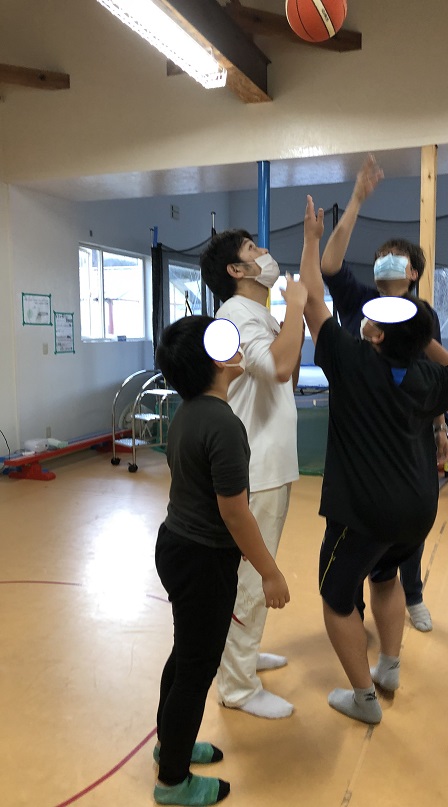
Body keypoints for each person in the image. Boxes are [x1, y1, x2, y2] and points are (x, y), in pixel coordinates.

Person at [300, 195, 448, 724]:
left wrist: (309, 239)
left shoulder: (349, 360)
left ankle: (363, 698)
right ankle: (389, 667)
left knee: (336, 597)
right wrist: (420, 340)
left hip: (364, 513)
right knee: (386, 576)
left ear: (373, 332)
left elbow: (312, 300)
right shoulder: (427, 377)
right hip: (418, 508)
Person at [153, 315, 290, 806]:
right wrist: (270, 572)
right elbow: (235, 512)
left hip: (176, 546)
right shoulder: (224, 425)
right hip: (202, 562)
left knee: (185, 655)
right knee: (196, 669)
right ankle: (173, 782)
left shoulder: (189, 412)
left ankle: (171, 744)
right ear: (212, 360)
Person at [320, 154, 448, 633]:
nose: (386, 262)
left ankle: (411, 596)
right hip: (359, 436)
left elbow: (435, 379)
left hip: (408, 436)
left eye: (398, 259)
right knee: (354, 532)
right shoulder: (359, 302)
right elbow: (329, 265)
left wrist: (440, 429)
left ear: (414, 273)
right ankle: (350, 610)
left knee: (403, 529)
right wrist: (356, 199)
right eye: (381, 257)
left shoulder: (421, 318)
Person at [200, 232, 306, 719]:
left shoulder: (256, 314)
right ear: (236, 271)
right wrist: (297, 306)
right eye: (251, 249)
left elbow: (287, 371)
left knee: (249, 576)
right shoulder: (237, 315)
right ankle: (238, 687)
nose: (263, 252)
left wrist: (288, 318)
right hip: (255, 467)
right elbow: (281, 368)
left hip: (269, 463)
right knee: (250, 579)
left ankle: (243, 656)